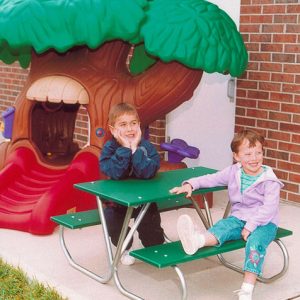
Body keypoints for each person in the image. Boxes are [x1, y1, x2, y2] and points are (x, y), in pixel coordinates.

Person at [170, 129, 283, 300]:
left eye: (258, 152)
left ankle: (247, 288)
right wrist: (191, 184)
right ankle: (197, 240)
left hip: (264, 223)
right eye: (248, 153)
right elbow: (211, 178)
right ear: (237, 157)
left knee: (255, 243)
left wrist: (251, 226)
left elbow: (269, 209)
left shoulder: (269, 180)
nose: (254, 158)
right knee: (223, 227)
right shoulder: (234, 171)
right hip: (239, 218)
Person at [100, 102, 165, 265]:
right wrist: (125, 149)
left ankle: (154, 248)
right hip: (116, 200)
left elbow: (148, 172)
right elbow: (115, 172)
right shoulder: (109, 149)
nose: (129, 129)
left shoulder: (146, 147)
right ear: (113, 130)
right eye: (123, 125)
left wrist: (135, 149)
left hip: (144, 199)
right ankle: (125, 247)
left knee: (151, 227)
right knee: (113, 224)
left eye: (133, 123)